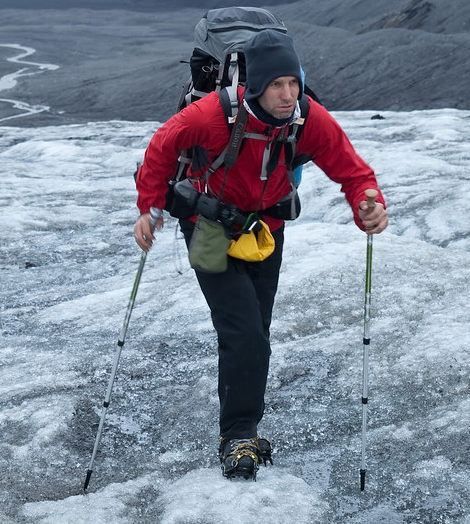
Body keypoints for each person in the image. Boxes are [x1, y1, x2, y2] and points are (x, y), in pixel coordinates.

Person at [132, 28, 389, 480]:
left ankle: (238, 426)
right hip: (209, 229)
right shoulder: (211, 116)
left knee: (254, 332)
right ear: (255, 86)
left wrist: (368, 202)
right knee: (244, 331)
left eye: (293, 83)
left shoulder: (308, 119)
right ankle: (239, 437)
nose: (288, 94)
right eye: (276, 85)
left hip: (265, 230)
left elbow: (352, 170)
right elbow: (160, 147)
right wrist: (149, 208)